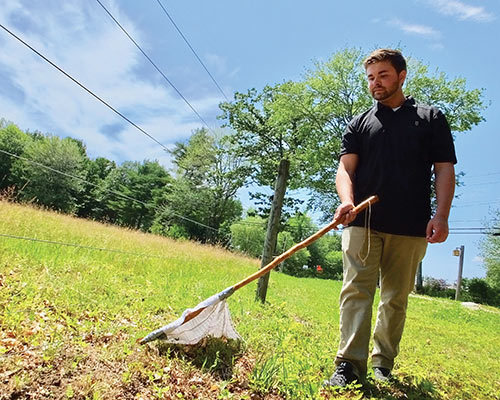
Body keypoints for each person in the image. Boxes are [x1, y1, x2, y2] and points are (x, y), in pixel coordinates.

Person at [324, 48, 456, 387]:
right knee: (356, 291)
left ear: (401, 75)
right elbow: (345, 169)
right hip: (362, 222)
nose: (375, 83)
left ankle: (383, 364)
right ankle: (349, 364)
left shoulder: (430, 118)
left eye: (382, 75)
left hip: (411, 225)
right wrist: (346, 201)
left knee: (395, 298)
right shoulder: (360, 123)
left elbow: (443, 169)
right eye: (370, 78)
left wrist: (440, 216)